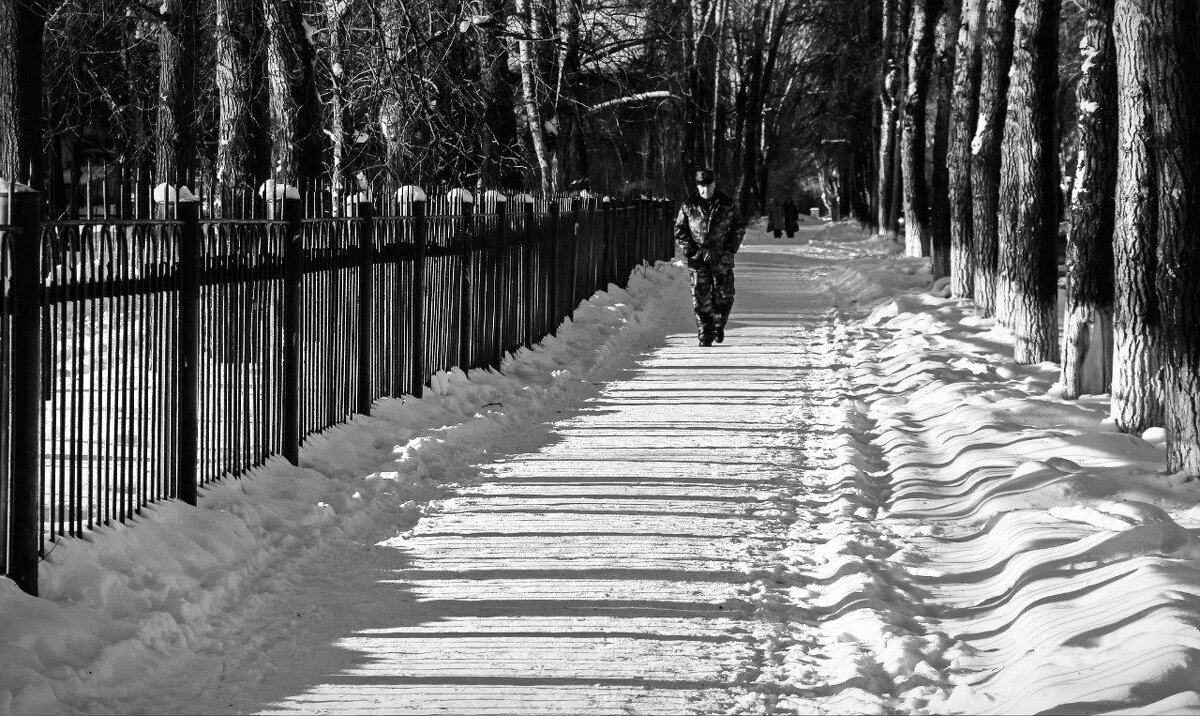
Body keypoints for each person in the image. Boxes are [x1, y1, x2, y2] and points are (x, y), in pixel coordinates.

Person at [674, 168, 745, 347]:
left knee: (724, 297)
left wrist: (729, 250)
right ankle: (705, 333)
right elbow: (680, 230)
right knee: (700, 299)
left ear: (714, 184)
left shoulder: (726, 203)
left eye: (709, 186)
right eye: (702, 187)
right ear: (697, 187)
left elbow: (738, 227)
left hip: (722, 259)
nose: (706, 190)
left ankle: (718, 323)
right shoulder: (689, 205)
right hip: (698, 261)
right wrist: (691, 251)